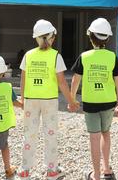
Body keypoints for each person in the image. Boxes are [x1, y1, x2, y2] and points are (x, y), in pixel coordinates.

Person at [18, 19, 77, 180]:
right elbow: (62, 82)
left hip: (31, 99)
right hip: (49, 101)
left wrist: (22, 98)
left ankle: (24, 170)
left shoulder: (28, 55)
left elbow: (23, 79)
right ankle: (51, 170)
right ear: (52, 38)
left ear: (36, 38)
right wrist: (71, 101)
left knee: (29, 134)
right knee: (50, 134)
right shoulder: (56, 56)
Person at [69, 18, 118, 180]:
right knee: (106, 133)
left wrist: (72, 100)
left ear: (90, 37)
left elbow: (75, 80)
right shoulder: (112, 57)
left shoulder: (84, 56)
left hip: (90, 103)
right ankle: (107, 169)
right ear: (107, 38)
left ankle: (96, 174)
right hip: (108, 102)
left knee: (94, 136)